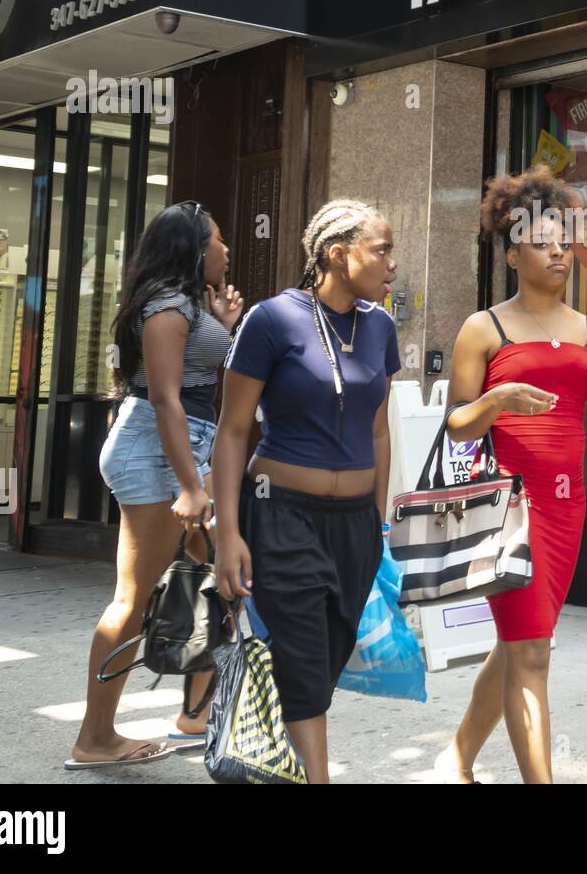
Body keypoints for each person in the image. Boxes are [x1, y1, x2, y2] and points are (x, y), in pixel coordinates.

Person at [436, 166, 587, 784]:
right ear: (512, 253)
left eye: (565, 238)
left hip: (568, 508)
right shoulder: (484, 328)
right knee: (531, 652)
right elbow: (456, 424)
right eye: (541, 240)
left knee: (518, 646)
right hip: (506, 509)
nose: (559, 249)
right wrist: (497, 399)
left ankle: (454, 759)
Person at [213, 199, 399, 785]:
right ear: (336, 254)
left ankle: (290, 766)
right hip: (282, 513)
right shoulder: (271, 320)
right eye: (382, 250)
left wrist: (377, 522)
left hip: (354, 526)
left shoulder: (381, 326)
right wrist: (227, 535)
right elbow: (233, 430)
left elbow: (378, 430)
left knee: (324, 659)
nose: (392, 264)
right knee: (300, 653)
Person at [68, 200, 242, 769]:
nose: (225, 249)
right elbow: (166, 397)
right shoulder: (167, 307)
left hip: (185, 444)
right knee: (134, 597)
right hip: (156, 448)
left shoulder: (191, 304)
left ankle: (196, 712)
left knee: (217, 574)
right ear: (193, 250)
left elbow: (196, 378)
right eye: (217, 240)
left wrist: (225, 325)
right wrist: (191, 487)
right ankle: (95, 738)